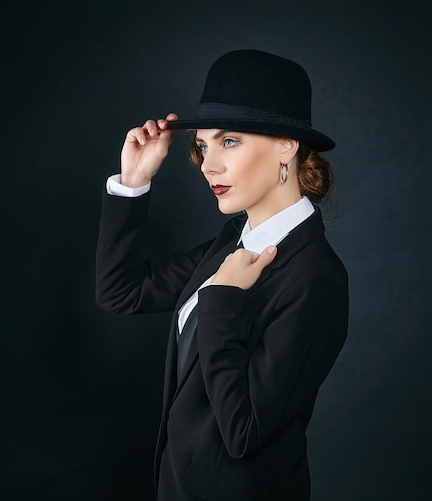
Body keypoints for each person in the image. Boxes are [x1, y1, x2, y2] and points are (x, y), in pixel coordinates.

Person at [95, 49, 349, 501]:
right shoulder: (233, 240)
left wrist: (222, 299)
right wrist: (132, 183)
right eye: (204, 145)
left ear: (287, 145)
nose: (209, 165)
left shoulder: (315, 278)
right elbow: (122, 292)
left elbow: (244, 431)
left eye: (229, 141)